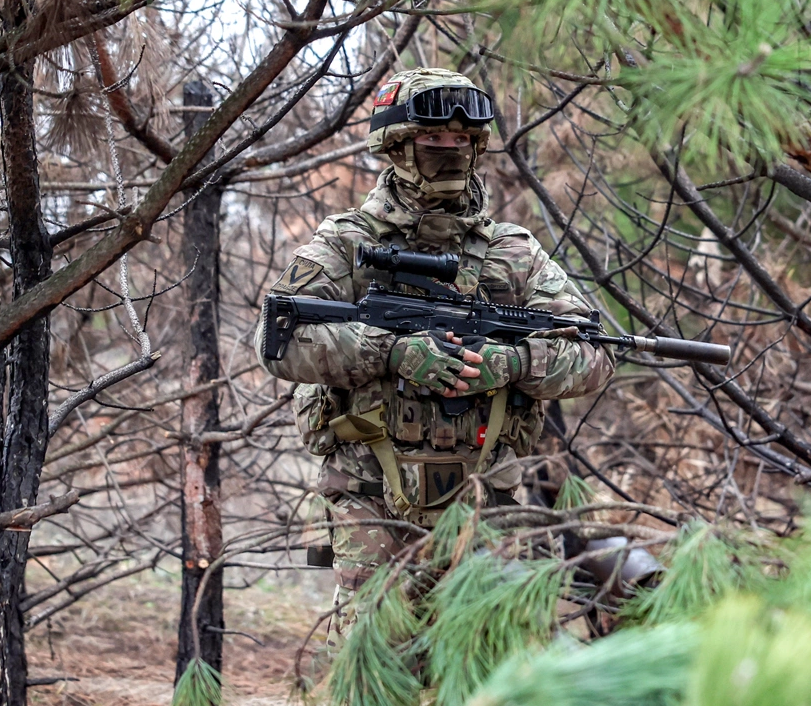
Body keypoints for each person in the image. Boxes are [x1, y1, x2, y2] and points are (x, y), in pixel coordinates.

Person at [254, 67, 616, 637]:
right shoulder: (348, 243)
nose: (449, 152)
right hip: (371, 493)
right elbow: (278, 342)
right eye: (432, 141)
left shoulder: (512, 254)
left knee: (486, 668)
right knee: (376, 666)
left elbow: (595, 354)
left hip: (485, 498)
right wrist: (393, 352)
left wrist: (513, 363)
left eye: (461, 141)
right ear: (396, 148)